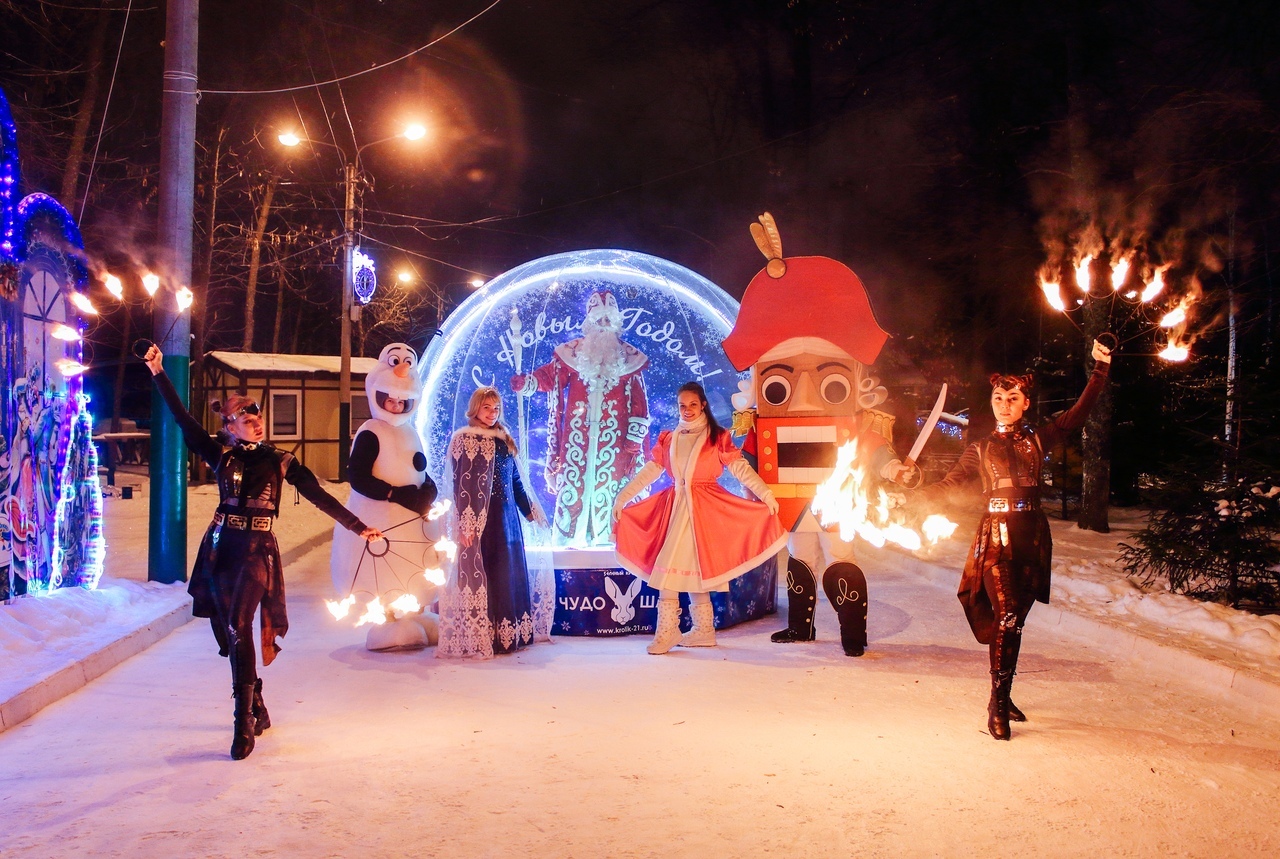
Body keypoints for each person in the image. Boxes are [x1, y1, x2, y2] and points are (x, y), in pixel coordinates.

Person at [144, 345, 383, 760]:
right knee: (230, 633)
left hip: (258, 550)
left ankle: (242, 722)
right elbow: (182, 419)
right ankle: (256, 703)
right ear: (230, 427)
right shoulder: (219, 454)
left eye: (258, 418)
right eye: (246, 419)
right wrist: (158, 372)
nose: (256, 423)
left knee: (240, 622)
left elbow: (320, 496)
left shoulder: (282, 461)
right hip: (221, 550)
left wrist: (359, 526)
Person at [922, 340, 1112, 740]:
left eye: (1012, 397)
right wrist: (914, 489)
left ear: (1025, 403)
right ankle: (997, 702)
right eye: (997, 397)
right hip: (995, 538)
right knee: (1005, 615)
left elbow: (1078, 415)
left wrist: (1101, 369)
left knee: (1015, 622)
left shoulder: (1039, 439)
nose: (1003, 403)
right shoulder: (979, 448)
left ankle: (1002, 694)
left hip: (1032, 538)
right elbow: (948, 484)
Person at [612, 381, 787, 654]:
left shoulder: (717, 437)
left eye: (693, 404)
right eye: (683, 405)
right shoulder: (669, 438)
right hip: (675, 510)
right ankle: (702, 631)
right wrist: (624, 496)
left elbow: (740, 468)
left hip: (704, 512)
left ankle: (670, 633)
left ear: (703, 404)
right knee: (689, 572)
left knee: (673, 573)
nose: (688, 410)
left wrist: (765, 494)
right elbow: (651, 470)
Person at [511, 290, 650, 547]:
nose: (604, 326)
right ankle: (571, 539)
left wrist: (633, 441)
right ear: (589, 321)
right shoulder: (572, 354)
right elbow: (549, 378)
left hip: (616, 446)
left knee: (611, 492)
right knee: (574, 488)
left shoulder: (630, 358)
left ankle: (609, 540)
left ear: (616, 322)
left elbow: (641, 404)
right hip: (578, 442)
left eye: (608, 320)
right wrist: (528, 383)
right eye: (599, 320)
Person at [437, 386, 551, 658]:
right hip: (481, 523)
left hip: (508, 520)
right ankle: (482, 635)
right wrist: (465, 524)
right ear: (475, 408)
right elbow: (459, 483)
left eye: (496, 408)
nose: (492, 413)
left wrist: (531, 512)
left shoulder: (504, 439)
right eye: (487, 407)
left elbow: (515, 482)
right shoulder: (463, 439)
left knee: (506, 576)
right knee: (486, 575)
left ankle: (507, 636)